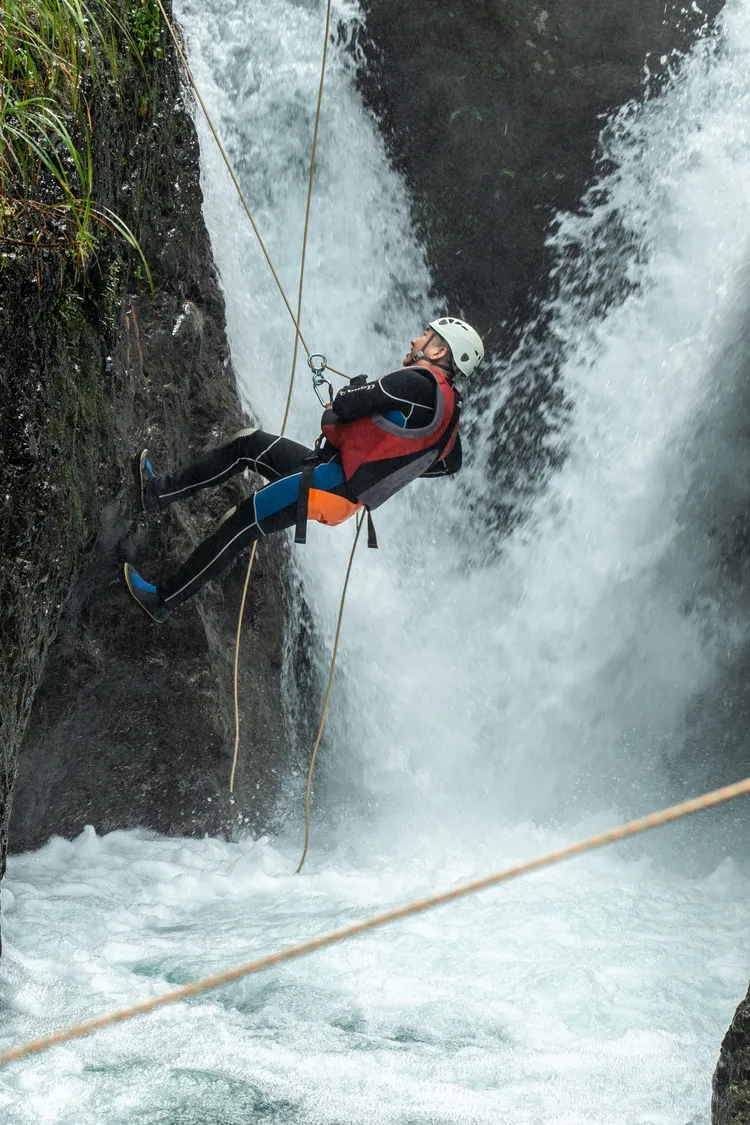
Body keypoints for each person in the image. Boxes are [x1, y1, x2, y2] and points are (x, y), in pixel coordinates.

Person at [124, 316, 484, 623]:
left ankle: (162, 600)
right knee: (247, 445)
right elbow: (449, 464)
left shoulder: (415, 383)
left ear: (437, 351)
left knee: (240, 521)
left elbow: (342, 405)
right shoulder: (448, 412)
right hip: (330, 479)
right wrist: (385, 465)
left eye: (425, 335)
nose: (415, 338)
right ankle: (159, 492)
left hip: (328, 484)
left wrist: (357, 389)